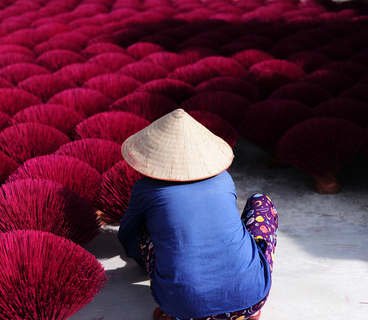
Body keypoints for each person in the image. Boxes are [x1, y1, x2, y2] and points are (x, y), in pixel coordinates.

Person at [118, 109, 278, 320]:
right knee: (261, 202)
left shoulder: (145, 189)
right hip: (252, 299)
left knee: (145, 224)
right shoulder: (224, 179)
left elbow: (128, 233)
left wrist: (143, 263)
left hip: (182, 310)